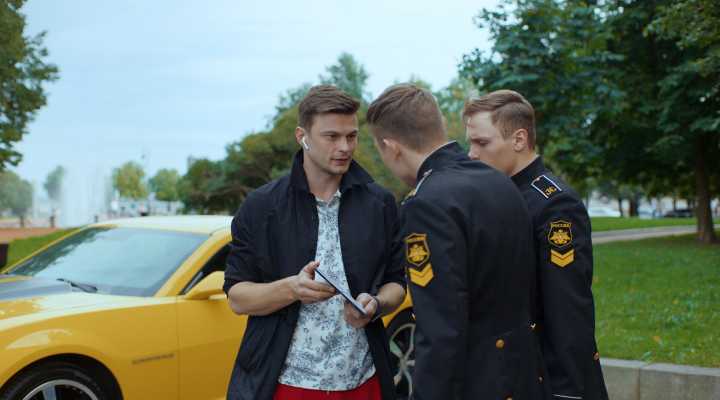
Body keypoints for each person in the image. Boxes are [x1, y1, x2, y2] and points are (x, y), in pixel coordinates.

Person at [224, 85, 406, 400]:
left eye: (351, 136)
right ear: (302, 136)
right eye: (331, 136)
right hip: (283, 385)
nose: (345, 147)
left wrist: (376, 304)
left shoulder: (381, 203)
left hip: (365, 381)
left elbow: (397, 283)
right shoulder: (261, 206)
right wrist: (292, 289)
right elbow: (238, 299)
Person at [366, 83, 547, 400]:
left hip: (473, 384)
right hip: (522, 376)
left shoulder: (427, 203)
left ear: (391, 147)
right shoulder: (499, 182)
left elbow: (440, 328)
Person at [464, 89, 608, 400]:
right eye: (470, 143)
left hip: (546, 379)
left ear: (519, 139)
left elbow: (567, 307)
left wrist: (568, 392)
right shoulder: (497, 195)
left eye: (482, 143)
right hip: (507, 370)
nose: (471, 154)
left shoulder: (555, 205)